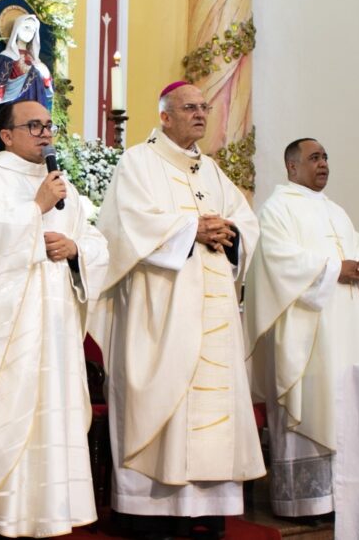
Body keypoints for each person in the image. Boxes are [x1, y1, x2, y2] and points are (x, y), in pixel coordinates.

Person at [94, 81, 263, 539]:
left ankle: (205, 508)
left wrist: (229, 232)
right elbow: (126, 226)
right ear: (164, 116)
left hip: (213, 309)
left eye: (204, 107)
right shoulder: (138, 162)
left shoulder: (211, 170)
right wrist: (192, 229)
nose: (200, 114)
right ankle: (148, 512)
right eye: (189, 107)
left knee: (211, 403)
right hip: (161, 308)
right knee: (163, 401)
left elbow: (245, 220)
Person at [0, 100, 109, 537]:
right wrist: (34, 209)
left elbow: (95, 244)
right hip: (5, 340)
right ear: (6, 135)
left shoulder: (62, 188)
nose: (45, 133)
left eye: (49, 125)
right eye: (33, 125)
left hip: (55, 335)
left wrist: (77, 252)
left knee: (51, 421)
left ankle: (46, 518)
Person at [244, 137, 359, 519]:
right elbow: (277, 260)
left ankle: (340, 497)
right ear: (292, 167)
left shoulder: (337, 211)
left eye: (326, 157)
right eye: (315, 157)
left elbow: (357, 251)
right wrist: (337, 268)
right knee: (309, 402)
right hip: (305, 330)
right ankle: (303, 502)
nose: (323, 164)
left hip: (344, 327)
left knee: (342, 406)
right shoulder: (276, 209)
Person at [0, 12, 53, 118]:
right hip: (17, 106)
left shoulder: (35, 60)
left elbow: (48, 90)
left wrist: (45, 73)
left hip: (37, 105)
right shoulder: (7, 56)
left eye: (33, 30)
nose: (29, 32)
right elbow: (1, 80)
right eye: (26, 27)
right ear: (17, 28)